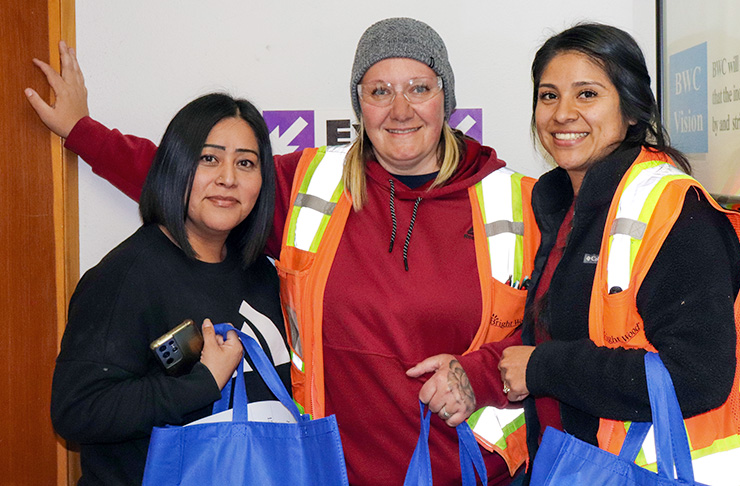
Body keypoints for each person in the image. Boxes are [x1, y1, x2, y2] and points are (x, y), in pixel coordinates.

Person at [28, 19, 534, 485]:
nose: (400, 110)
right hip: (328, 471)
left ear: (446, 99)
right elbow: (204, 182)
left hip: (469, 469)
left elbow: (558, 333)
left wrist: (483, 374)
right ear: (359, 105)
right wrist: (83, 133)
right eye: (380, 91)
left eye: (419, 88)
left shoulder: (520, 202)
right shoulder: (312, 184)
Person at [496, 23, 740, 486]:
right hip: (568, 467)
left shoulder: (677, 210)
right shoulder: (562, 208)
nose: (563, 114)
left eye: (588, 94)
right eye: (549, 95)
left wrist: (543, 368)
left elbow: (697, 376)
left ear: (632, 110)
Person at [47, 93, 291, 485]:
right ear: (175, 166)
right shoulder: (126, 276)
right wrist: (203, 382)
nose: (228, 178)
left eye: (245, 162)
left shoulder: (263, 273)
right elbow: (78, 410)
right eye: (209, 158)